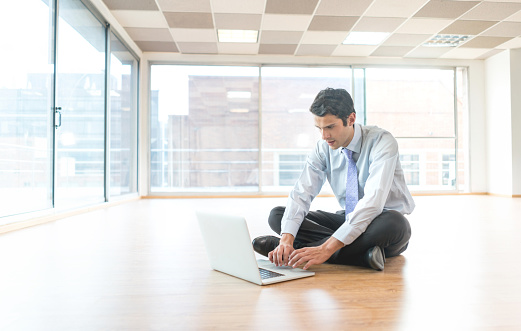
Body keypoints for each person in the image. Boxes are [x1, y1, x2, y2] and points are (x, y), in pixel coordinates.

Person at [252, 88, 415, 271]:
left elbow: (373, 203)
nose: (324, 136)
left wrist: (326, 248)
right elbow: (301, 193)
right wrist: (286, 239)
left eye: (330, 127)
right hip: (348, 219)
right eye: (319, 128)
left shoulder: (382, 142)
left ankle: (304, 251)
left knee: (396, 223)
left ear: (351, 119)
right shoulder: (323, 147)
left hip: (382, 223)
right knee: (278, 216)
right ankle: (363, 256)